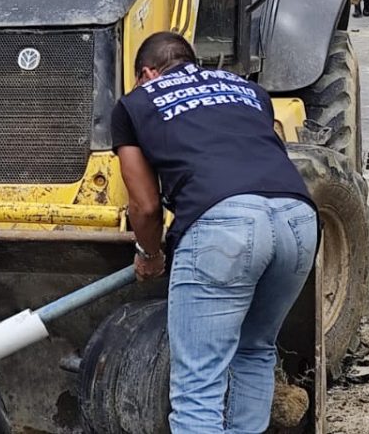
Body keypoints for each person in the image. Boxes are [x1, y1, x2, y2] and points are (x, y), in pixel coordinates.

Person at [111, 32, 317, 434]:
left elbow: (146, 206)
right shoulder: (249, 91)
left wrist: (150, 255)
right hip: (298, 217)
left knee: (198, 386)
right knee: (254, 351)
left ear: (147, 73)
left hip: (224, 226)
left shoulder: (136, 102)